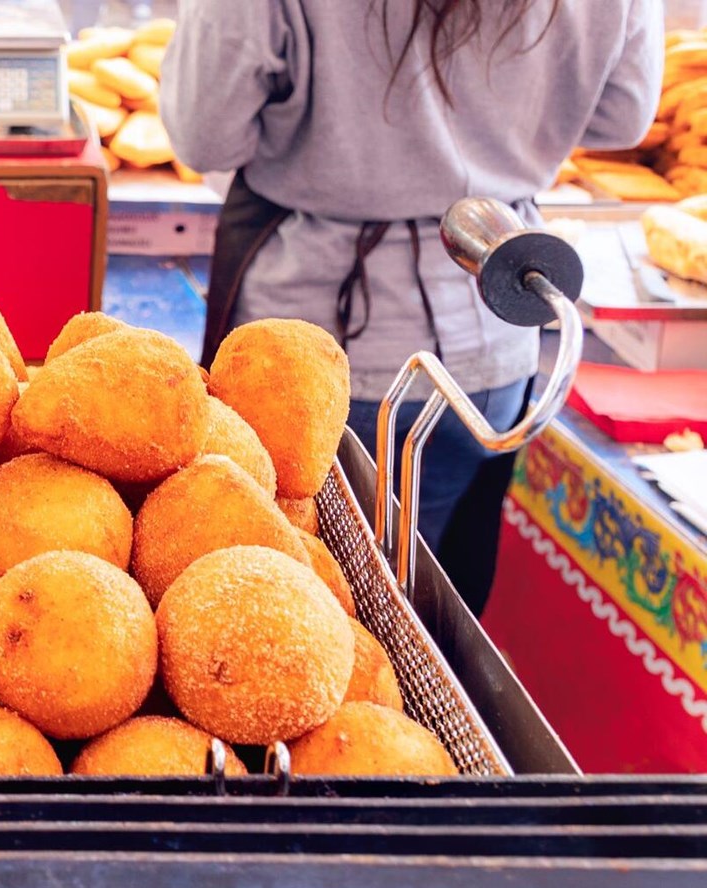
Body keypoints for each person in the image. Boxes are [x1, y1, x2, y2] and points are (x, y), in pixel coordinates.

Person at [161, 0, 662, 609]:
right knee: (429, 620)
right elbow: (622, 118)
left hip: (314, 352)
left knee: (286, 603)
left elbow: (203, 132)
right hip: (497, 330)